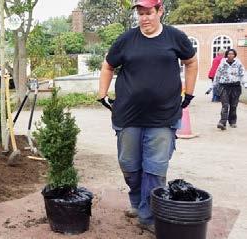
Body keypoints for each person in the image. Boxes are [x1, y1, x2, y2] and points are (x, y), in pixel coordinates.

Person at [96, 0, 198, 233]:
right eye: (140, 13)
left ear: (160, 11)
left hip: (164, 116)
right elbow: (107, 66)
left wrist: (189, 93)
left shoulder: (175, 37)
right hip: (128, 115)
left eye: (149, 13)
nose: (144, 18)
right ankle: (138, 202)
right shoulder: (126, 40)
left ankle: (149, 215)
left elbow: (191, 62)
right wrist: (102, 95)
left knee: (155, 168)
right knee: (130, 166)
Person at [211, 48, 246, 130]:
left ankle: (233, 121)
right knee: (225, 105)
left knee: (234, 105)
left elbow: (242, 74)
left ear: (234, 55)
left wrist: (245, 83)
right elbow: (217, 75)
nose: (231, 55)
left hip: (235, 87)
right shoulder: (222, 64)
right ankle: (222, 122)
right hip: (224, 87)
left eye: (232, 54)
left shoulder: (238, 64)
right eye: (229, 54)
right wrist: (212, 86)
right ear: (226, 55)